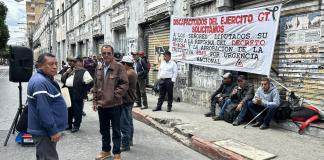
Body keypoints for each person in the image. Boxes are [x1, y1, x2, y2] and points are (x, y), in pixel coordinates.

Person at [27, 53, 67, 160]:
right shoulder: (40, 82)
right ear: (39, 65)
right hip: (44, 132)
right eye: (50, 64)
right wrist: (53, 130)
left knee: (44, 156)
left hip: (45, 131)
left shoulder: (46, 78)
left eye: (56, 64)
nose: (54, 67)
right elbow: (43, 110)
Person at [92, 45, 129, 160]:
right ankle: (106, 151)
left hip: (115, 105)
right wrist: (94, 101)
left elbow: (124, 84)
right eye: (104, 53)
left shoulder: (119, 67)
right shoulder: (98, 67)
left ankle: (117, 153)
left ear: (112, 54)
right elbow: (95, 85)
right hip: (102, 105)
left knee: (116, 130)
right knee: (104, 130)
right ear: (101, 55)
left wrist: (114, 95)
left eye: (109, 53)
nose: (106, 55)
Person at [61, 57, 93, 133]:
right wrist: (67, 72)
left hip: (77, 92)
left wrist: (84, 90)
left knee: (77, 110)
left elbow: (90, 83)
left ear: (80, 62)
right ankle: (68, 124)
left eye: (75, 61)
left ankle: (76, 125)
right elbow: (62, 80)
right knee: (68, 109)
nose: (73, 63)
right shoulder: (68, 70)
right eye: (71, 61)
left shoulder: (84, 71)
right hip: (67, 91)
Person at [120, 55, 137, 151]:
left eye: (122, 64)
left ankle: (125, 144)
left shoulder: (128, 74)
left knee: (124, 123)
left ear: (126, 64)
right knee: (129, 122)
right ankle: (129, 141)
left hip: (127, 100)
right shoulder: (132, 72)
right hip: (130, 99)